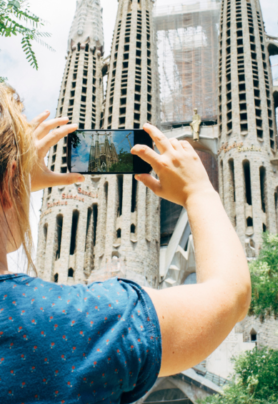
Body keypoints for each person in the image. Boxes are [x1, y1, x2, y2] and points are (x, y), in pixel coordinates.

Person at [0, 83, 251, 402]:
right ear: (9, 183)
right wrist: (199, 192)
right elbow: (231, 297)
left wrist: (13, 182)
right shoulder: (79, 322)